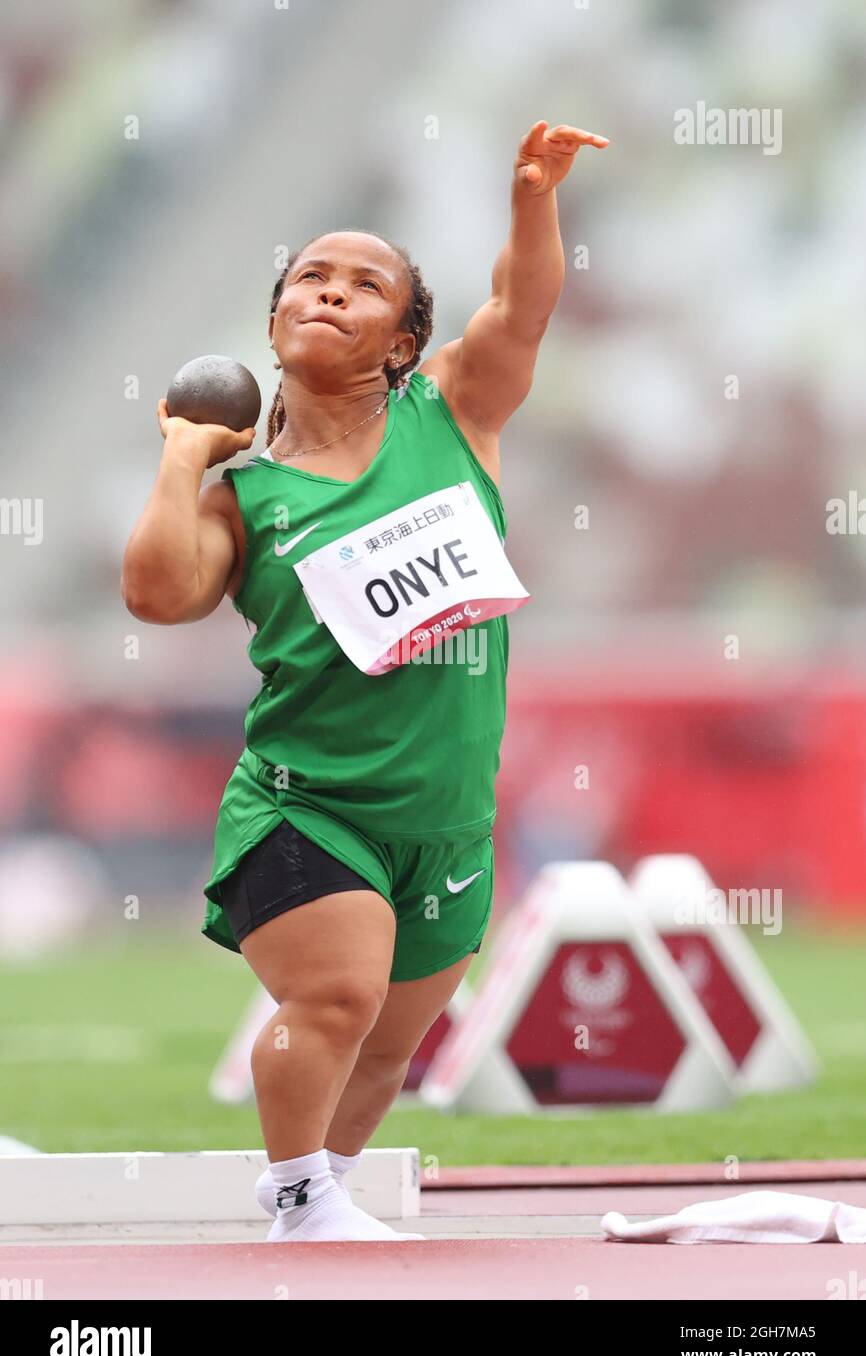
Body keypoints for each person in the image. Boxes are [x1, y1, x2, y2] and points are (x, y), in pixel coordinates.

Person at [122, 119, 608, 1242]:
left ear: (402, 340)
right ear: (276, 318)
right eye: (310, 278)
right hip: (307, 802)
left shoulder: (455, 413)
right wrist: (184, 454)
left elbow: (522, 305)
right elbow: (155, 595)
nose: (331, 293)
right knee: (332, 998)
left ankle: (321, 1190)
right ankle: (300, 1203)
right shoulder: (241, 496)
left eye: (364, 284)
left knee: (390, 1040)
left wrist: (532, 199)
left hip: (445, 818)